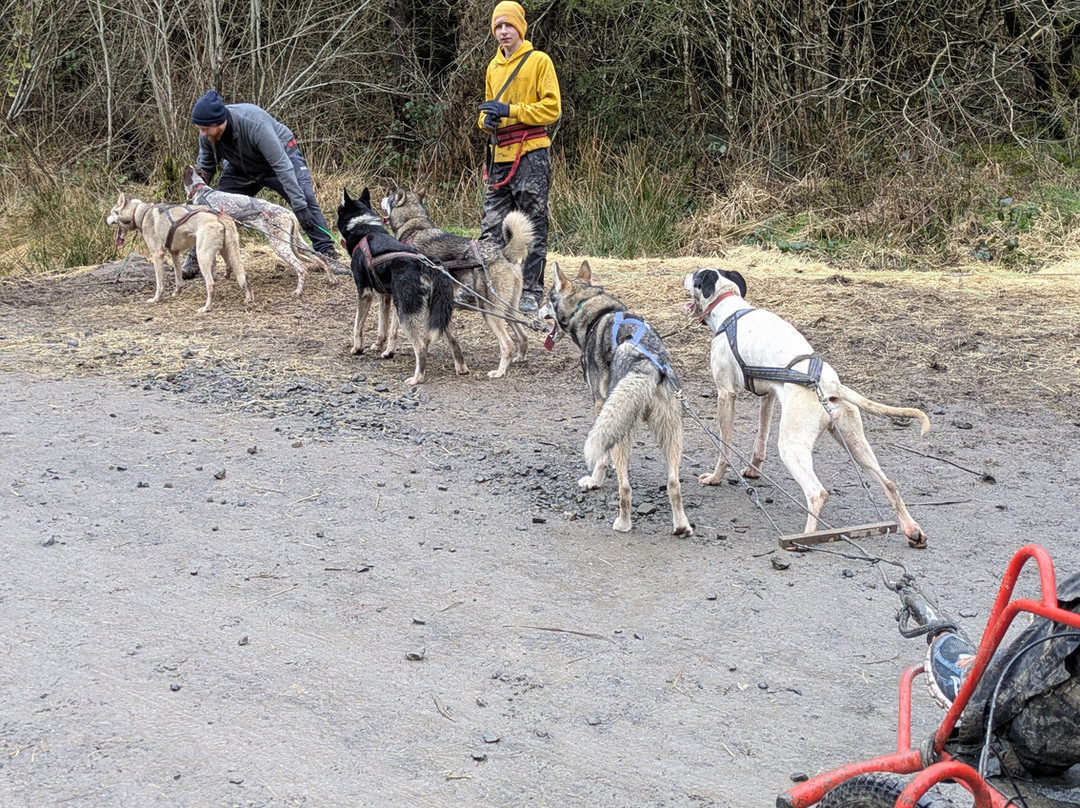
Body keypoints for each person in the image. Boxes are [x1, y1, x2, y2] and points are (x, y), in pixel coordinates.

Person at [185, 89, 337, 277]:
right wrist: (198, 198)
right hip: (241, 168)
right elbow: (205, 168)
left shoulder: (253, 123)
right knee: (213, 208)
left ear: (218, 121)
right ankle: (195, 260)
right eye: (200, 129)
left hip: (280, 161)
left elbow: (282, 165)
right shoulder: (207, 136)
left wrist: (299, 207)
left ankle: (327, 254)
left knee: (305, 199)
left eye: (205, 128)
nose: (203, 133)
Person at [477, 1, 561, 312]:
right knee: (491, 226)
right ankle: (487, 286)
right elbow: (485, 116)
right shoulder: (492, 67)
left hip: (531, 152)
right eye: (498, 27)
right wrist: (487, 121)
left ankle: (530, 291)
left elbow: (552, 109)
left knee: (533, 224)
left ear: (520, 28)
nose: (502, 32)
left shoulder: (539, 61)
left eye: (508, 25)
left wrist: (512, 111)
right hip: (499, 154)